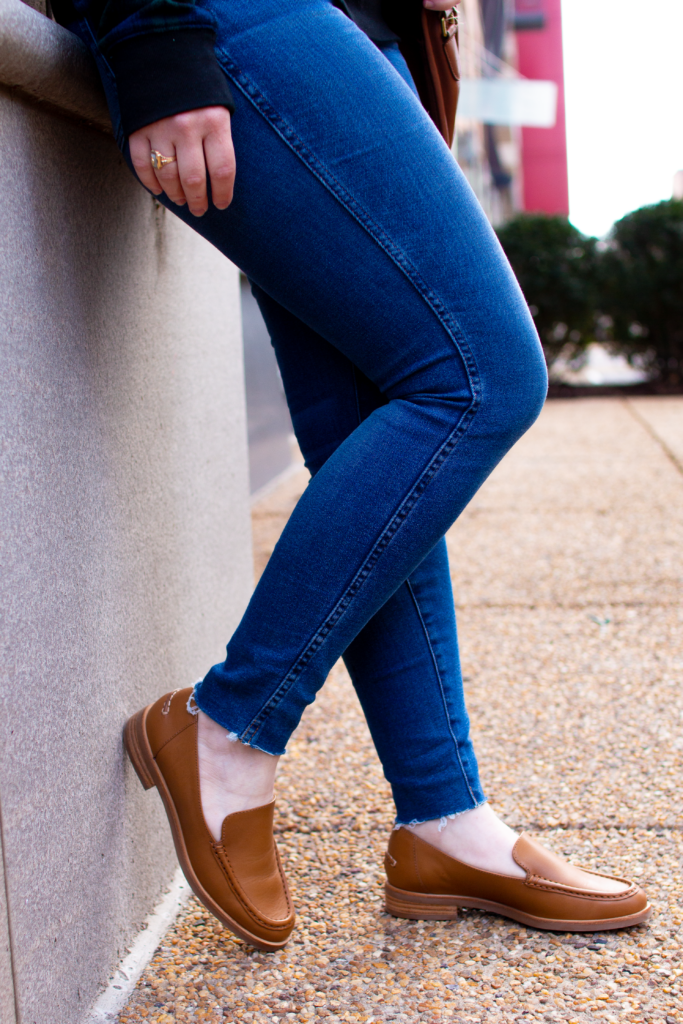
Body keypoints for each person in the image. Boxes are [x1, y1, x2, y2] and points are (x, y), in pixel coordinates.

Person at [55, 0, 650, 949]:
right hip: (237, 16)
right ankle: (229, 725)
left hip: (360, 35)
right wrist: (149, 26)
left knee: (386, 428)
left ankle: (444, 823)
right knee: (482, 375)